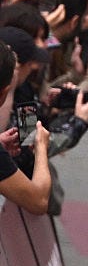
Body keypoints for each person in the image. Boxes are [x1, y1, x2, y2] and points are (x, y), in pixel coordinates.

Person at [0, 39, 51, 213]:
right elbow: (39, 201)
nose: (34, 67)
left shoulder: (28, 91)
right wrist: (41, 147)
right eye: (29, 64)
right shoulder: (23, 98)